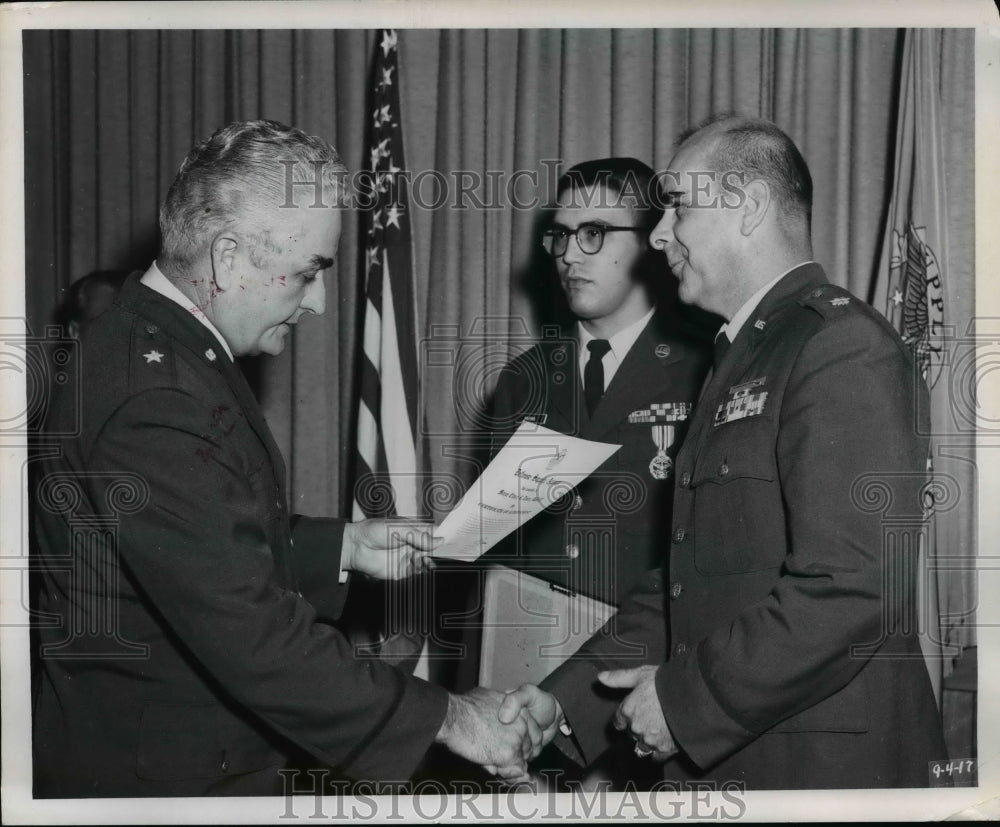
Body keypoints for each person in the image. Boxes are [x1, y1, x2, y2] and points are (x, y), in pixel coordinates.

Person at [31, 120, 541, 797]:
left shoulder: (158, 346)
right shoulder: (155, 397)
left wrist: (344, 546)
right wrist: (450, 716)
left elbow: (195, 545)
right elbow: (253, 638)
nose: (320, 301)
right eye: (308, 272)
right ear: (228, 256)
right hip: (166, 782)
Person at [500, 115, 948, 789]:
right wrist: (566, 703)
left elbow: (855, 587)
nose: (658, 234)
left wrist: (685, 705)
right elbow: (691, 582)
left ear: (749, 207)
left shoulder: (838, 347)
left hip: (823, 774)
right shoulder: (739, 356)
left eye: (678, 204)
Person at [484, 158, 711, 607]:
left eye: (594, 233)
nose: (569, 255)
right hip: (533, 641)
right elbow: (496, 547)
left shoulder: (704, 370)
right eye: (561, 235)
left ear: (651, 243)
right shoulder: (523, 379)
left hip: (648, 652)